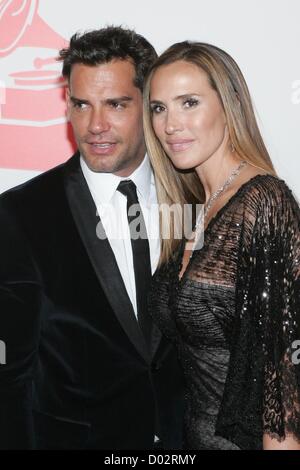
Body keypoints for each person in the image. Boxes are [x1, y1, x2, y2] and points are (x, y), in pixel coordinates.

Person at [0, 27, 184, 450]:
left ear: (150, 105)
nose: (95, 125)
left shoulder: (194, 199)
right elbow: (9, 381)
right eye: (81, 104)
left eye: (116, 104)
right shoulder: (21, 216)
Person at [143, 41, 300, 450]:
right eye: (158, 108)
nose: (170, 124)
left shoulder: (263, 202)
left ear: (229, 103)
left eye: (188, 103)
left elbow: (283, 375)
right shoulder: (197, 206)